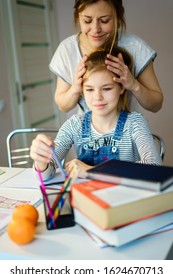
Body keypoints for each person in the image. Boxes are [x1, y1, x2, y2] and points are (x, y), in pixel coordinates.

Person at [30, 46, 161, 181]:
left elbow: (154, 167)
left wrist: (91, 171)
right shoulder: (74, 125)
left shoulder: (134, 123)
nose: (98, 97)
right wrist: (41, 161)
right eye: (90, 89)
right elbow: (46, 175)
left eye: (107, 88)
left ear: (121, 87)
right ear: (82, 90)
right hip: (85, 198)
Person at [49, 0, 163, 114]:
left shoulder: (135, 47)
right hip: (86, 131)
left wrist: (134, 85)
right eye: (87, 21)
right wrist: (75, 89)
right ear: (77, 17)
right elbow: (62, 106)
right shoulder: (67, 50)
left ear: (118, 17)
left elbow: (156, 105)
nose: (96, 29)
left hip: (127, 130)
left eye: (104, 20)